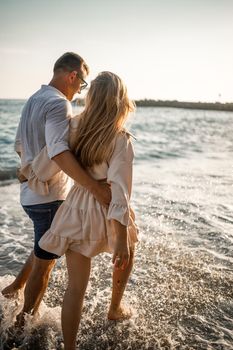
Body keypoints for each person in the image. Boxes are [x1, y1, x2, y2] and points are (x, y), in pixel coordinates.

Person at [1, 53, 111, 325]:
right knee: (45, 262)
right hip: (48, 196)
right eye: (82, 85)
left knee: (44, 244)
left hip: (31, 194)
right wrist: (95, 188)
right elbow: (60, 153)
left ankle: (15, 287)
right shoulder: (59, 104)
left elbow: (20, 146)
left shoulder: (33, 100)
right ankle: (22, 326)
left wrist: (28, 173)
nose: (80, 91)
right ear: (73, 76)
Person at [34, 71, 138, 350]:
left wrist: (28, 173)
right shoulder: (121, 138)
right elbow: (120, 192)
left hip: (77, 207)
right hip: (106, 205)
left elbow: (49, 159)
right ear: (121, 102)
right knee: (127, 250)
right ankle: (115, 307)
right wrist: (121, 238)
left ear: (91, 99)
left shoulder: (73, 125)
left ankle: (69, 347)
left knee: (75, 287)